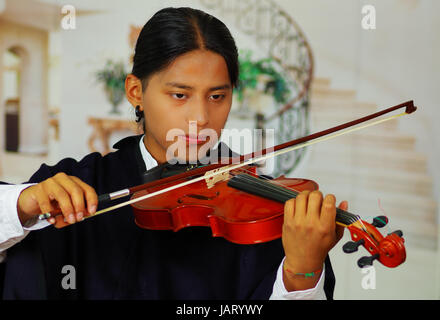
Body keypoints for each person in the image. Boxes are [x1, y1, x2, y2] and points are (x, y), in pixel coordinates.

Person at [0, 7, 346, 300]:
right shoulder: (81, 185)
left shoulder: (262, 210)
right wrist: (22, 205)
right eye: (180, 95)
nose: (200, 118)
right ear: (136, 91)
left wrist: (303, 270)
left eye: (217, 96)